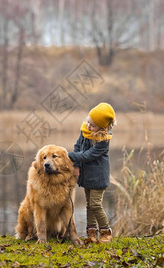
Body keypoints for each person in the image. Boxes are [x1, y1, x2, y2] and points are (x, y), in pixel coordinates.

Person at [68, 102, 116, 243]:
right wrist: (75, 165)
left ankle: (106, 231)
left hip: (98, 176)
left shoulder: (103, 140)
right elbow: (78, 147)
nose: (89, 126)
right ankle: (91, 233)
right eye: (88, 122)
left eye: (93, 125)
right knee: (89, 204)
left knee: (95, 204)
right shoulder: (85, 131)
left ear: (102, 128)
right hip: (87, 175)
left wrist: (67, 155)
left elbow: (88, 155)